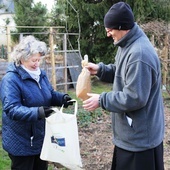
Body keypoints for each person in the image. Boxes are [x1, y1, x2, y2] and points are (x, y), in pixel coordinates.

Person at [82, 2, 165, 170]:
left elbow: (135, 97)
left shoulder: (139, 54)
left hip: (140, 142)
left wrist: (102, 99)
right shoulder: (127, 44)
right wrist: (100, 70)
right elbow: (122, 71)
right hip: (131, 136)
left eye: (110, 29)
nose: (108, 34)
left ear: (122, 27)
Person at [0, 35, 73, 170]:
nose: (37, 63)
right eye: (34, 60)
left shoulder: (41, 74)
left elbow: (49, 94)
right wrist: (37, 112)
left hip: (39, 138)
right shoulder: (11, 80)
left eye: (39, 60)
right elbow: (11, 109)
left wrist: (62, 99)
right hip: (20, 141)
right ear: (22, 58)